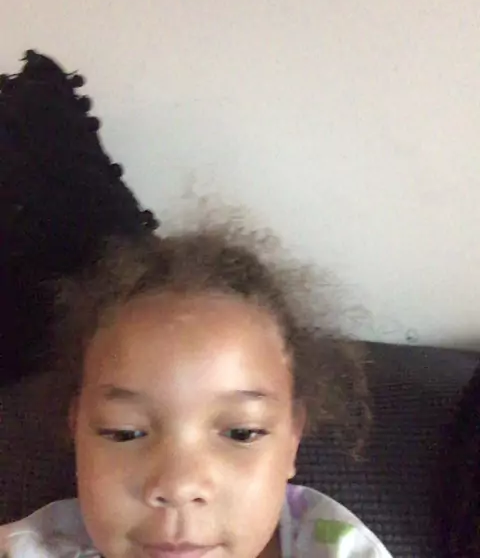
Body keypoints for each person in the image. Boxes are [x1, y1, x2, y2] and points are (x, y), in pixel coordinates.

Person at [0, 222, 393, 557]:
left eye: (241, 433)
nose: (178, 486)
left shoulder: (333, 547)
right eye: (124, 432)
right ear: (77, 431)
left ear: (293, 438)